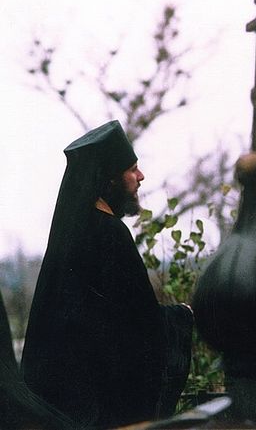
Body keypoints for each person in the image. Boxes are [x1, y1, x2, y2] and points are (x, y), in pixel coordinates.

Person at [21, 120, 194, 429]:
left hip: (67, 407)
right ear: (110, 178)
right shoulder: (111, 233)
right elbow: (139, 324)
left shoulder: (73, 231)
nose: (141, 177)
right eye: (132, 169)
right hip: (102, 409)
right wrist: (182, 315)